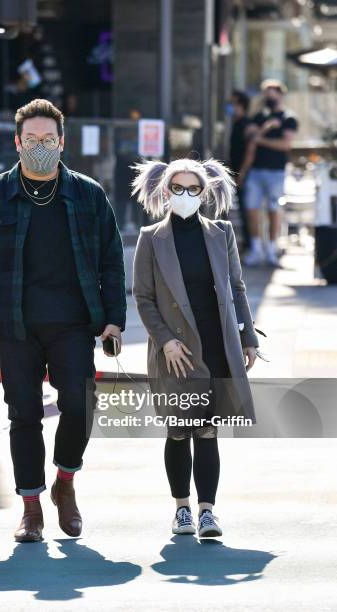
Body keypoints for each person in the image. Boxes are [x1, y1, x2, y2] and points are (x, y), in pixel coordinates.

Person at [0, 98, 126, 543]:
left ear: (62, 143)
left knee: (80, 402)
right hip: (14, 323)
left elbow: (111, 260)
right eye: (30, 139)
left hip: (73, 323)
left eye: (47, 140)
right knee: (24, 414)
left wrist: (114, 320)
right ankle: (31, 507)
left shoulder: (88, 195)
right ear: (16, 143)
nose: (38, 147)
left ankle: (64, 483)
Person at [131, 156, 260, 538]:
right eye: (177, 188)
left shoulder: (221, 233)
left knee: (206, 430)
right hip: (176, 350)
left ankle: (207, 512)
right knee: (177, 429)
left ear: (204, 192)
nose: (185, 195)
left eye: (193, 188)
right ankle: (181, 509)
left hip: (216, 344)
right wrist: (165, 340)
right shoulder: (150, 238)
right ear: (165, 191)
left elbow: (236, 287)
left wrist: (248, 337)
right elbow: (143, 297)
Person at [239, 79, 299, 266]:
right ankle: (257, 250)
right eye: (266, 93)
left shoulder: (288, 118)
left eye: (273, 93)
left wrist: (260, 139)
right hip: (256, 172)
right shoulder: (259, 117)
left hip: (276, 173)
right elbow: (250, 140)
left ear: (281, 94)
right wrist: (266, 129)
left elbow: (285, 145)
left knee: (275, 211)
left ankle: (272, 250)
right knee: (252, 210)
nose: (269, 97)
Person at [227, 90, 252, 252]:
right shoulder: (236, 123)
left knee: (245, 209)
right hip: (233, 172)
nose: (229, 107)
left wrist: (242, 174)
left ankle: (248, 244)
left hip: (242, 175)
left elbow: (250, 152)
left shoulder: (246, 124)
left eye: (232, 103)